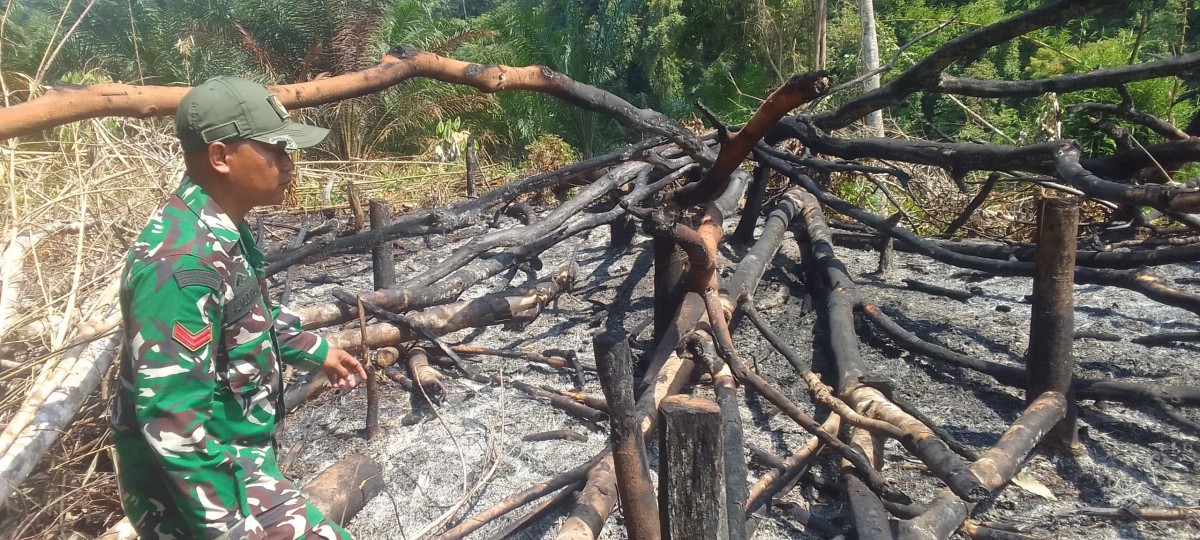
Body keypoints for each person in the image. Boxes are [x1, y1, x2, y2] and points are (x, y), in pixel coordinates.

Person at [110, 76, 367, 539]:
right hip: (196, 489)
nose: (290, 164)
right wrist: (230, 529)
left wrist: (314, 348)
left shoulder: (220, 228)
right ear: (221, 157)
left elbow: (246, 315)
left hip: (238, 458)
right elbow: (172, 420)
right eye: (276, 150)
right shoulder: (180, 265)